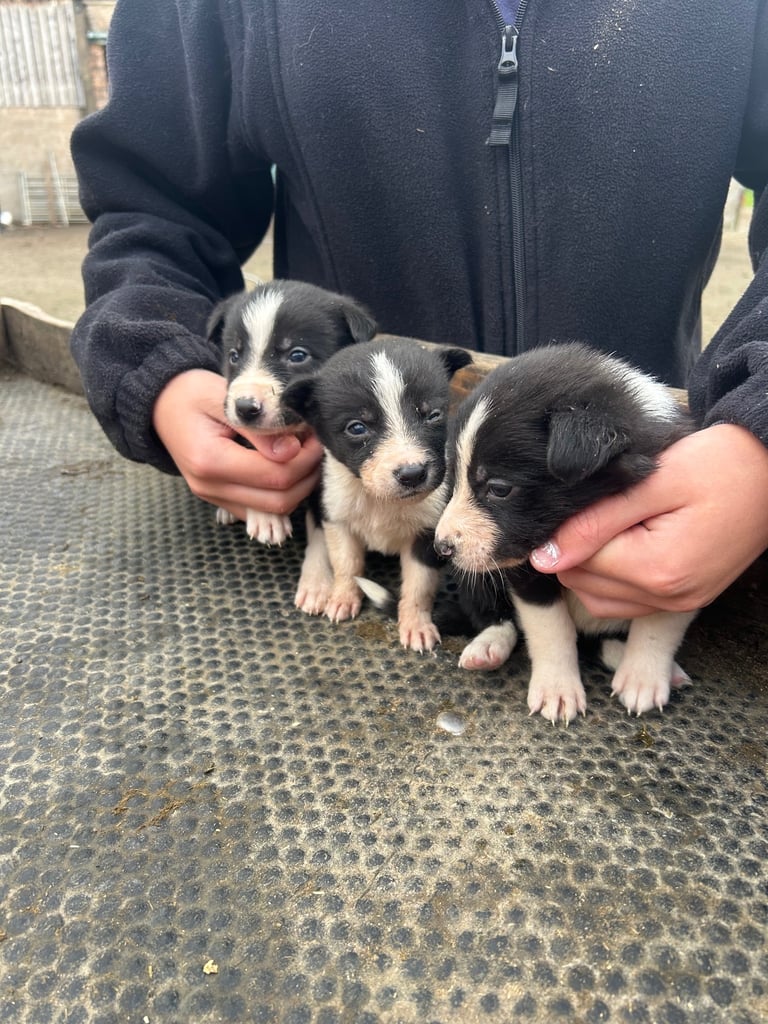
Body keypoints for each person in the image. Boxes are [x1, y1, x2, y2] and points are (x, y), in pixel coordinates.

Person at [70, 0, 768, 621]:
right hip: (316, 538)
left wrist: (758, 436)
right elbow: (148, 206)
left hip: (651, 521)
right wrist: (161, 367)